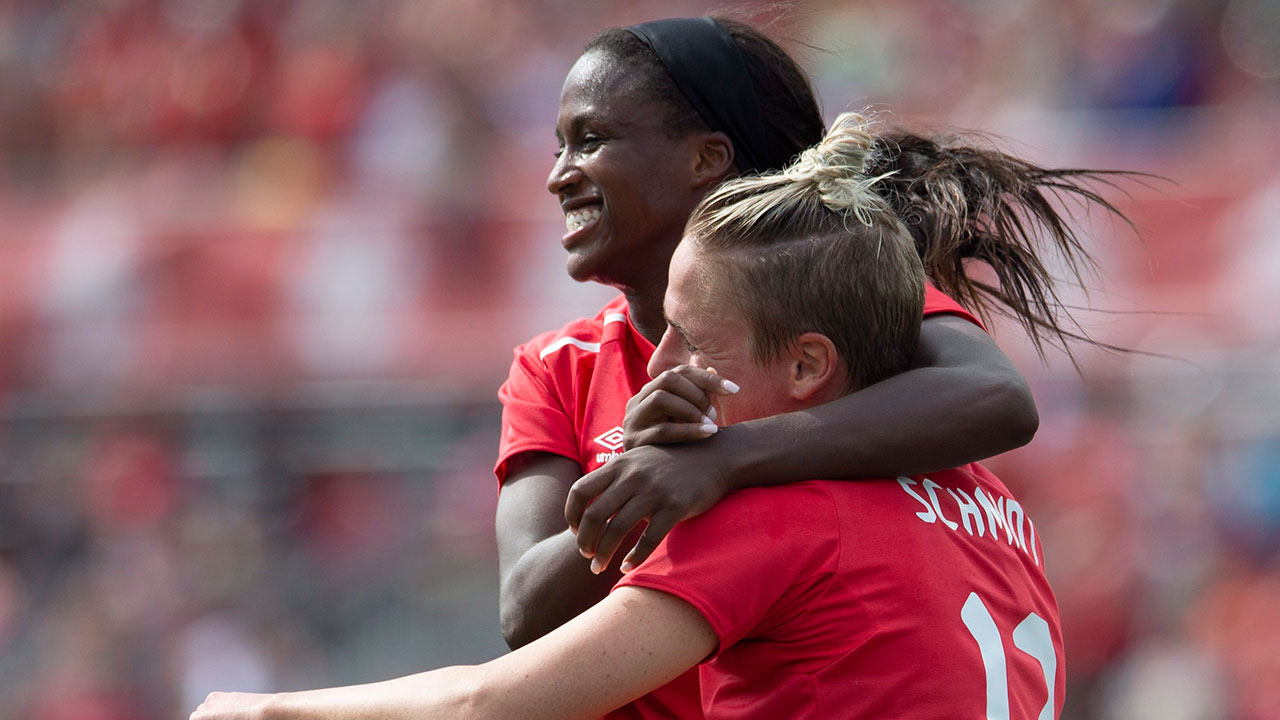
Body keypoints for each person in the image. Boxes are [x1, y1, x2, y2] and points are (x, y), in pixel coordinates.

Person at [191, 111, 1063, 720]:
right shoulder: (994, 510)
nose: (661, 363)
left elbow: (490, 705)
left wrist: (265, 711)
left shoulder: (775, 512)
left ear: (806, 366)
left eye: (689, 338)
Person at [496, 16, 1128, 719]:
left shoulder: (840, 297)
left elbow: (996, 397)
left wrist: (723, 459)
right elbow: (524, 611)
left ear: (707, 157)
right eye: (558, 146)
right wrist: (649, 478)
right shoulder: (557, 366)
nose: (558, 175)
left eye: (590, 141)